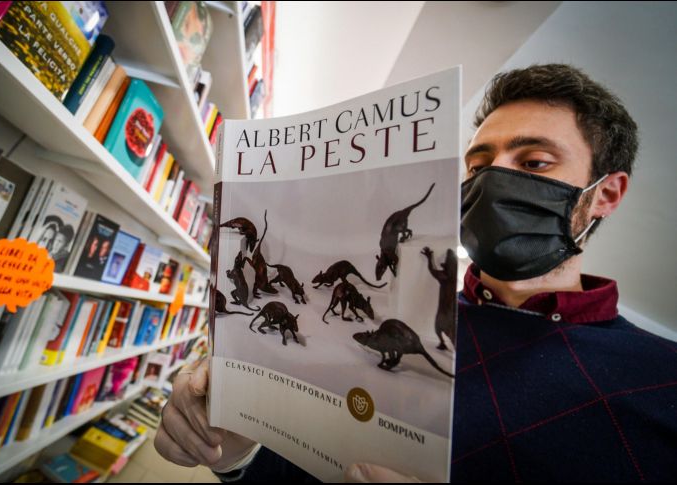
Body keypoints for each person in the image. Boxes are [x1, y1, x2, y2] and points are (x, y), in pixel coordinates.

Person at [154, 64, 677, 482]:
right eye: (479, 166)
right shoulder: (408, 311)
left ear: (605, 193)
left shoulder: (660, 380)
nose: (494, 179)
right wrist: (238, 452)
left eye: (535, 162)